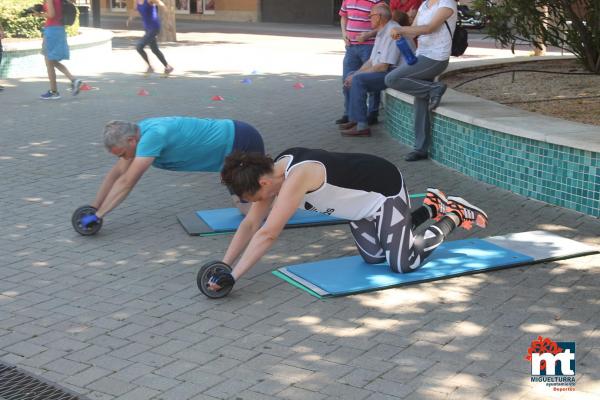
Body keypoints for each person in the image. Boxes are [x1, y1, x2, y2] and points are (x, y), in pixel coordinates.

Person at [206, 148, 488, 293]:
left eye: (254, 198)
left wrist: (233, 277)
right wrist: (224, 264)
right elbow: (250, 225)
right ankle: (430, 208)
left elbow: (267, 233)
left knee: (403, 263)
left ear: (263, 182)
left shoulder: (296, 176)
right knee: (374, 258)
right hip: (359, 210)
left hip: (382, 191)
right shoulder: (271, 173)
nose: (256, 205)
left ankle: (453, 213)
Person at [79, 117, 265, 229]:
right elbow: (116, 174)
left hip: (242, 140)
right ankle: (280, 195)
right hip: (228, 156)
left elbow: (127, 182)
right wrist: (94, 206)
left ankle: (286, 195)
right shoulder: (137, 135)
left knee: (254, 209)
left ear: (131, 141)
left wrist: (98, 216)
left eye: (122, 154)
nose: (124, 158)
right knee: (244, 208)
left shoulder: (152, 137)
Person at [384, 0, 456, 162]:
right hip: (422, 54)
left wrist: (401, 28)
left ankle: (434, 88)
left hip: (436, 57)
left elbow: (430, 28)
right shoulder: (425, 5)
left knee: (392, 78)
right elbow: (415, 31)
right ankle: (421, 149)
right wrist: (401, 32)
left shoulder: (447, 4)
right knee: (420, 103)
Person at [339, 4, 408, 137]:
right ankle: (354, 119)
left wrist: (357, 76)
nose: (368, 18)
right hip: (387, 71)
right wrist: (356, 73)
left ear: (379, 17)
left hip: (395, 74)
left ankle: (362, 126)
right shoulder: (382, 31)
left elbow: (383, 66)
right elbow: (371, 61)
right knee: (351, 75)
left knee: (358, 80)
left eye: (370, 16)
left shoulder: (393, 31)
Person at [337, 0, 385, 127]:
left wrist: (369, 34)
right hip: (351, 47)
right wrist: (344, 34)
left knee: (371, 81)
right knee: (347, 80)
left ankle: (372, 114)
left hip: (369, 47)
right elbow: (344, 17)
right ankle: (350, 114)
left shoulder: (376, 2)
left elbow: (383, 24)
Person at [37, 0, 83, 100]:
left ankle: (56, 91)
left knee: (49, 62)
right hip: (58, 29)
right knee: (51, 61)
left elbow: (51, 14)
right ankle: (71, 82)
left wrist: (39, 15)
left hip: (51, 31)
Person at [128, 0, 174, 75]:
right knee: (154, 49)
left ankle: (150, 67)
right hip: (147, 28)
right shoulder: (136, 1)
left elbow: (163, 5)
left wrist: (168, 21)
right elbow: (136, 10)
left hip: (154, 27)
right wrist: (131, 17)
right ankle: (168, 67)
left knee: (139, 47)